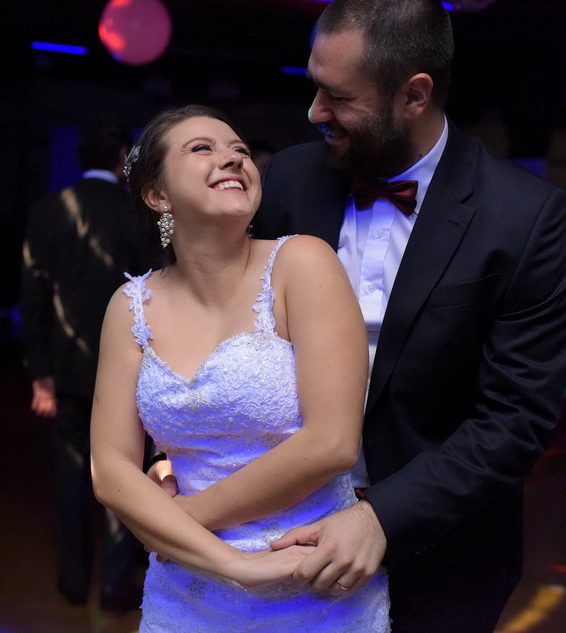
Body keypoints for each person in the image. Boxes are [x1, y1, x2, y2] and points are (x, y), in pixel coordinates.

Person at [248, 0, 566, 632]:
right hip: (279, 531)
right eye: (315, 86)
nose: (315, 111)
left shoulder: (523, 217)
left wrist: (383, 515)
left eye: (338, 96)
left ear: (414, 95)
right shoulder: (286, 179)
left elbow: (517, 417)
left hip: (443, 554)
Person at [90, 104, 390, 630]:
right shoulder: (130, 306)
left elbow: (332, 442)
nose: (232, 160)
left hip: (311, 566)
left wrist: (175, 520)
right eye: (202, 149)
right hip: (186, 585)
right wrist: (233, 563)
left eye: (241, 152)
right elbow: (111, 468)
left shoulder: (302, 263)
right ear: (158, 195)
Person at [21, 115, 151, 611]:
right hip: (129, 371)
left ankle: (74, 580)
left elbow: (31, 298)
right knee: (126, 475)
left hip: (67, 369)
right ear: (123, 157)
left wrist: (40, 375)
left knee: (71, 472)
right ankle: (117, 586)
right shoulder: (136, 214)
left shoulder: (48, 210)